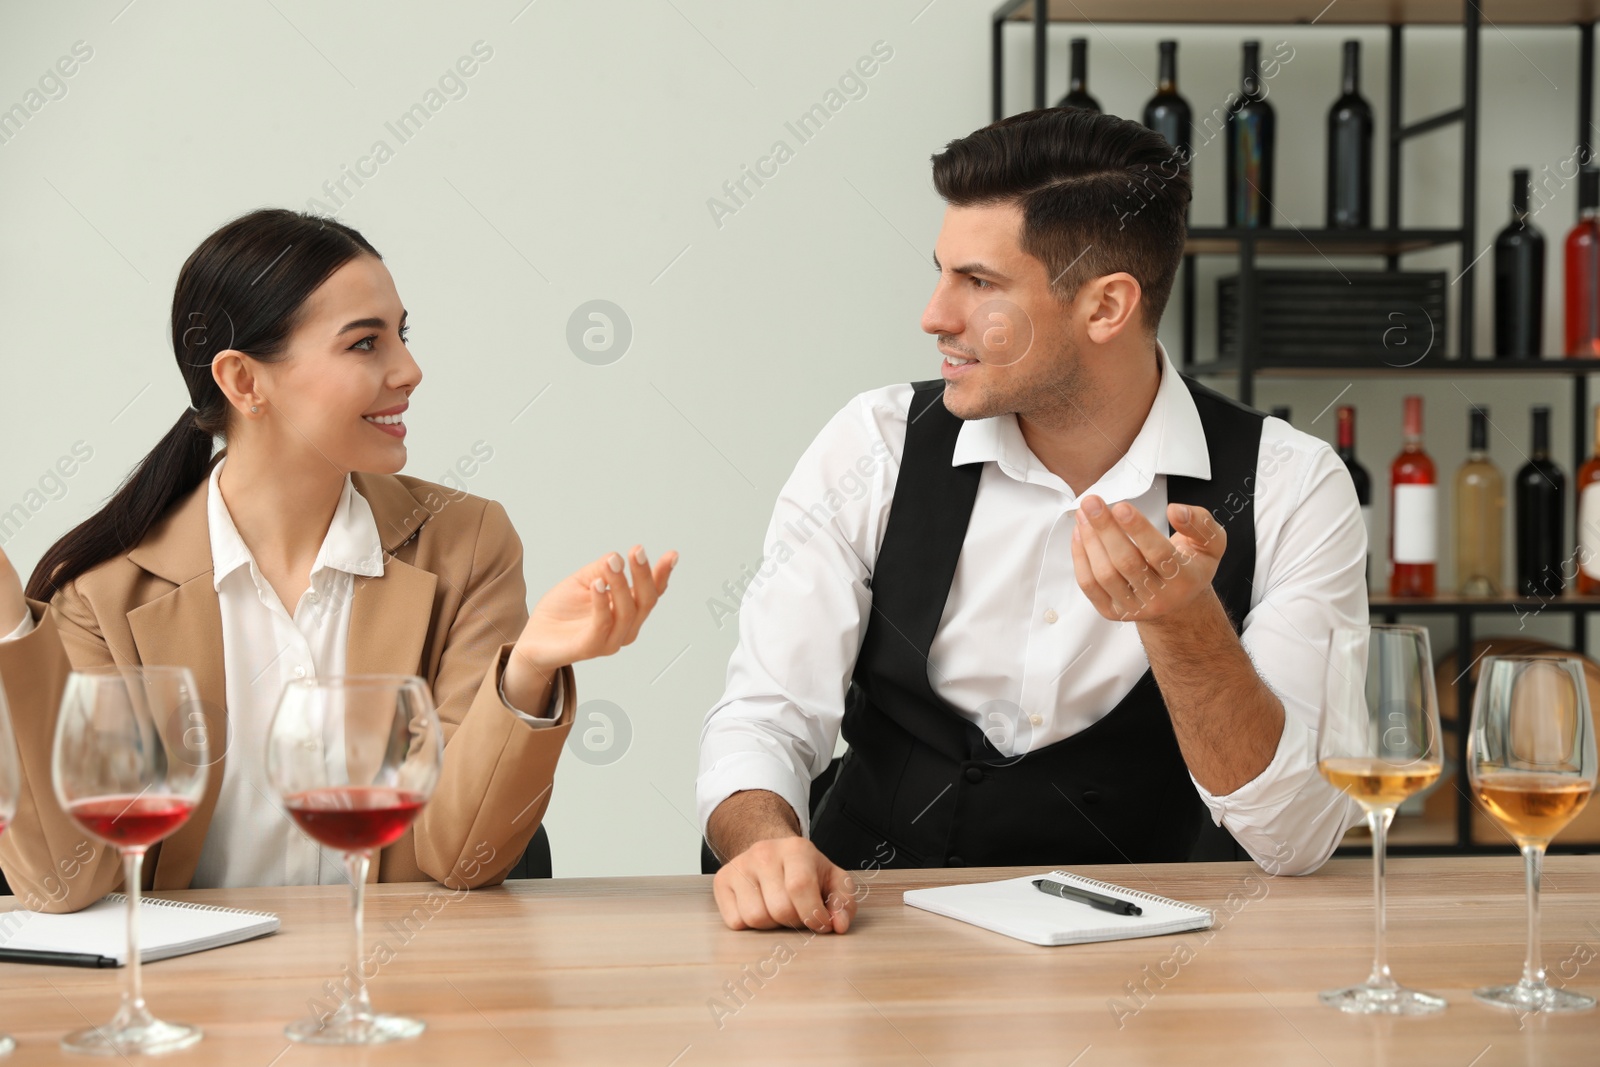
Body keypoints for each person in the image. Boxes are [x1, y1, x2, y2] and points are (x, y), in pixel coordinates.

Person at [697, 107, 1364, 935]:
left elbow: (1297, 838)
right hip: (864, 938)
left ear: (1106, 307)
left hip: (1144, 970)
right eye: (943, 273)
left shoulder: (1292, 486)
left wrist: (1185, 626)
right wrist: (763, 842)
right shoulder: (872, 446)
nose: (934, 315)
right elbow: (766, 716)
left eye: (979, 284)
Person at [0, 208, 676, 912]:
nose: (409, 370)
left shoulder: (468, 543)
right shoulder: (105, 594)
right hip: (193, 1004)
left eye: (401, 335)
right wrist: (6, 623)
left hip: (399, 993)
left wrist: (530, 667)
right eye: (364, 344)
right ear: (243, 380)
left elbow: (462, 855)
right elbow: (66, 881)